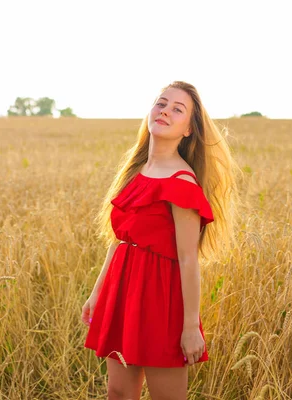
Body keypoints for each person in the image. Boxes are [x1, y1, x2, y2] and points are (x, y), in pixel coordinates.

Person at [81, 81, 238, 399]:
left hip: (160, 299)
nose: (165, 110)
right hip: (122, 290)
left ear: (188, 130)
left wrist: (191, 326)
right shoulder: (136, 171)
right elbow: (119, 240)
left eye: (177, 109)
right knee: (118, 392)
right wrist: (98, 293)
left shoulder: (182, 183)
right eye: (161, 103)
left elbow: (188, 259)